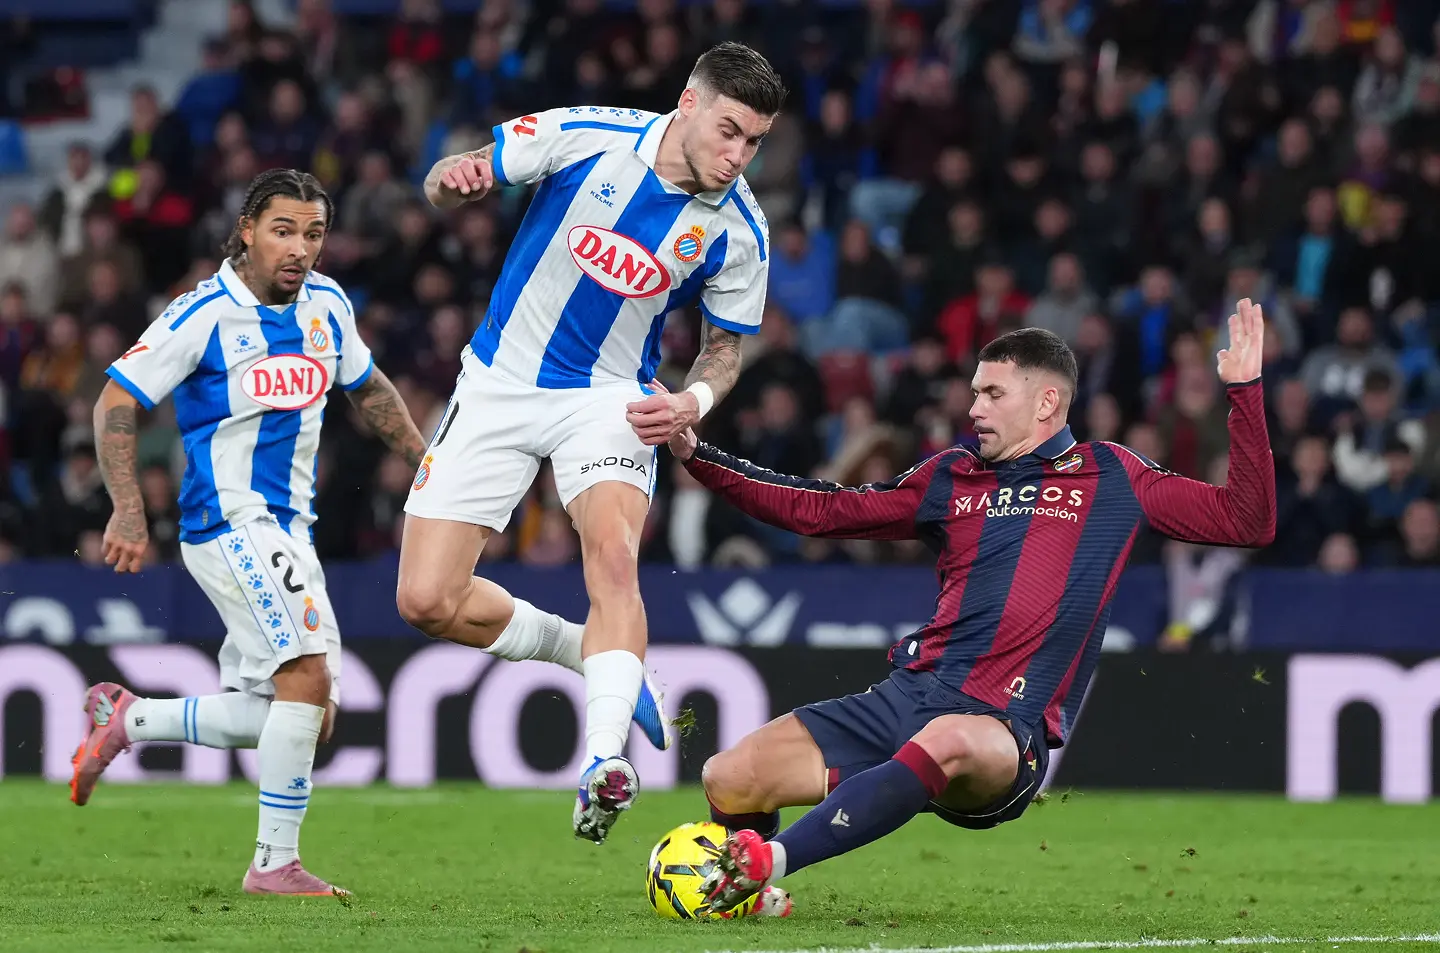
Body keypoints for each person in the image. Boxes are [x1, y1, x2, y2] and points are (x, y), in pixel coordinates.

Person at [668, 303, 1277, 914]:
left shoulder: (1113, 478)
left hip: (1002, 731)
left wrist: (1245, 394)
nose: (973, 408)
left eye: (991, 393)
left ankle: (769, 862)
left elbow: (1248, 522)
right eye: (973, 392)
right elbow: (824, 510)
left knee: (951, 739)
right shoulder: (950, 478)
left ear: (1044, 403)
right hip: (909, 697)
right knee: (728, 775)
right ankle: (743, 898)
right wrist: (700, 457)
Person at [397, 42, 787, 844]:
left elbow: (725, 347)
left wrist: (692, 399)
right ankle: (590, 654)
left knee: (612, 559)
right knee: (426, 600)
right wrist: (455, 179)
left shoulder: (740, 226)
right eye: (729, 131)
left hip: (612, 397)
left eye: (754, 142)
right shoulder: (586, 133)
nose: (738, 155)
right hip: (499, 382)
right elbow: (450, 174)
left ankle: (602, 762)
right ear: (687, 102)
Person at [70, 169, 430, 898]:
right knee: (307, 677)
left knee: (303, 713)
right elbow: (116, 398)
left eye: (315, 233)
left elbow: (367, 387)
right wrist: (129, 507)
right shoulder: (201, 314)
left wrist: (427, 462)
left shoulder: (328, 304)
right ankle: (273, 865)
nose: (300, 248)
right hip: (227, 521)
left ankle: (128, 717)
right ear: (246, 230)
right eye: (284, 231)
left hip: (292, 530)